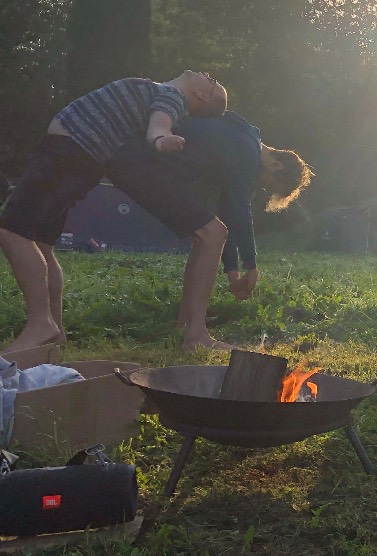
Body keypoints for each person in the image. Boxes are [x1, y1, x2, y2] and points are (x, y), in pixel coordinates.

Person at [0, 71, 227, 353]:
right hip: (70, 155)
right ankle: (53, 334)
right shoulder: (159, 89)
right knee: (40, 244)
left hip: (69, 154)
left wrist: (161, 139)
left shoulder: (172, 97)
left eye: (211, 79)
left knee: (11, 231)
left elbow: (159, 124)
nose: (206, 74)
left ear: (203, 95)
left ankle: (40, 323)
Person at [108, 111, 313, 343]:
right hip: (146, 164)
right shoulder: (247, 151)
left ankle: (185, 325)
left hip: (141, 161)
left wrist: (233, 272)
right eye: (268, 186)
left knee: (209, 233)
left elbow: (226, 215)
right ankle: (195, 336)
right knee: (211, 232)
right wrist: (251, 265)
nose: (260, 186)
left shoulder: (241, 140)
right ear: (276, 165)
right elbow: (239, 210)